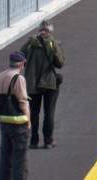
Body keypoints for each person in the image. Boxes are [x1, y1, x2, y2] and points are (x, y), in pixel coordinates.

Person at [21, 21, 65, 150]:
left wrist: (29, 42)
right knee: (49, 113)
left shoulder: (30, 44)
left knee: (34, 113)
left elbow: (19, 56)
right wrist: (54, 45)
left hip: (32, 83)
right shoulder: (52, 43)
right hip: (49, 83)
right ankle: (48, 141)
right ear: (50, 31)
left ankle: (34, 141)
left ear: (39, 30)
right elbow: (60, 63)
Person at [0, 51, 30, 180]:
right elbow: (23, 101)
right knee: (20, 159)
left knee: (5, 155)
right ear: (21, 64)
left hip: (4, 120)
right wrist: (28, 121)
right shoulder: (18, 78)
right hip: (18, 123)